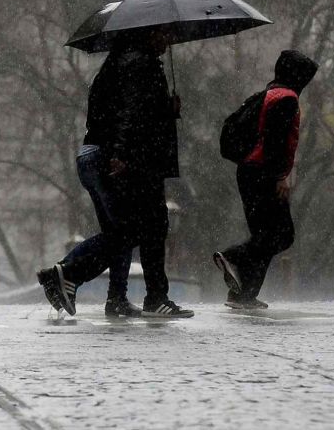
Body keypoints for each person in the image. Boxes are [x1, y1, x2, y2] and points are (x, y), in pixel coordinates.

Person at [38, 33, 194, 319]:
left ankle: (116, 297)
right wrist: (122, 153)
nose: (168, 39)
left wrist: (166, 111)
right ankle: (68, 273)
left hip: (91, 156)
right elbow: (130, 113)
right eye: (163, 32)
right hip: (118, 159)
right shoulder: (141, 64)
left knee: (120, 230)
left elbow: (120, 112)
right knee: (139, 228)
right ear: (147, 35)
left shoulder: (112, 68)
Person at [213, 50, 318, 309]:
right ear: (297, 76)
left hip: (248, 171)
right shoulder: (287, 99)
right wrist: (280, 176)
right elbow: (275, 141)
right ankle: (234, 257)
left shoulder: (266, 94)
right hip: (264, 173)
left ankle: (244, 294)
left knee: (264, 236)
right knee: (282, 235)